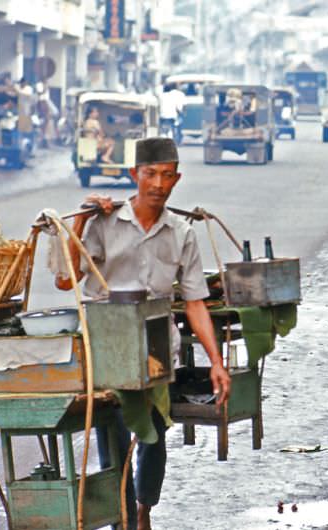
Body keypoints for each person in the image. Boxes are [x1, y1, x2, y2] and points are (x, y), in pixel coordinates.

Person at [55, 138, 232, 530]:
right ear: (134, 175)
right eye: (150, 174)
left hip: (156, 349)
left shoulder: (181, 231)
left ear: (176, 179)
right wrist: (82, 219)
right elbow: (67, 279)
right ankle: (123, 515)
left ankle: (143, 509)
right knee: (114, 435)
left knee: (152, 437)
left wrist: (217, 363)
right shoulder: (104, 221)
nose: (157, 183)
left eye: (167, 176)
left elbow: (195, 302)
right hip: (107, 346)